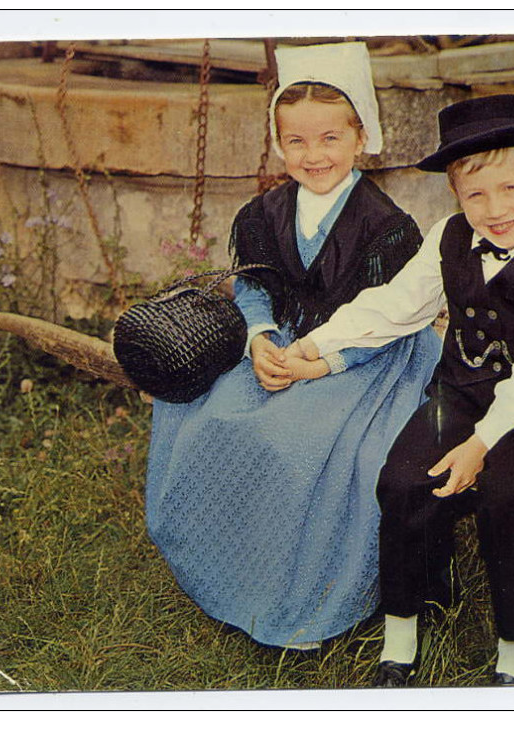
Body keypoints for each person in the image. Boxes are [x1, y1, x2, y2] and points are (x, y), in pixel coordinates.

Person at [291, 94, 514, 684]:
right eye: (475, 194)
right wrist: (318, 345)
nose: (495, 209)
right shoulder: (447, 238)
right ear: (455, 194)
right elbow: (396, 306)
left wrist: (481, 445)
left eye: (511, 188)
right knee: (403, 480)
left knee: (510, 496)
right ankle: (405, 630)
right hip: (459, 389)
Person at [144, 42, 441, 650]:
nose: (315, 156)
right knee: (203, 412)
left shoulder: (387, 226)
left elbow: (386, 317)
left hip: (365, 358)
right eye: (298, 142)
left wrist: (318, 363)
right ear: (280, 144)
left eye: (331, 139)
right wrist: (256, 338)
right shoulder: (263, 214)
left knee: (301, 439)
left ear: (362, 138)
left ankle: (303, 585)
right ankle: (238, 566)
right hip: (279, 343)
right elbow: (254, 286)